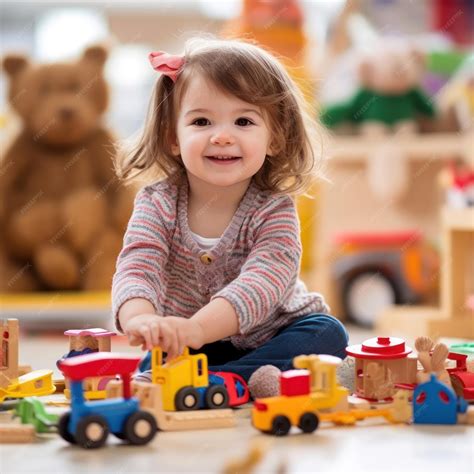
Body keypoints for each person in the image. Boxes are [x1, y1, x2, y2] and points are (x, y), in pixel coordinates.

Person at [112, 37, 348, 397]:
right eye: (202, 121)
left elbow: (262, 282)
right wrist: (141, 318)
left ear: (275, 138)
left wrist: (197, 329)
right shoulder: (156, 203)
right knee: (152, 361)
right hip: (193, 341)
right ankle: (227, 379)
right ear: (172, 136)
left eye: (243, 121)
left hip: (272, 332)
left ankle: (220, 380)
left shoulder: (274, 209)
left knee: (327, 334)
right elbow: (138, 266)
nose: (222, 136)